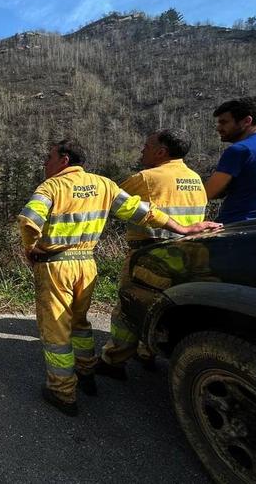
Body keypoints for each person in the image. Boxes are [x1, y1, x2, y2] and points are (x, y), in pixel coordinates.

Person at [18, 138, 220, 416]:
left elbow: (29, 219)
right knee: (79, 321)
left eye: (49, 157)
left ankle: (62, 391)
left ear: (64, 160)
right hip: (87, 264)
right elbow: (145, 213)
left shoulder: (51, 186)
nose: (45, 162)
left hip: (55, 266)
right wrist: (183, 229)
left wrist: (31, 248)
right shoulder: (105, 185)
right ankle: (86, 372)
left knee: (55, 330)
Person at [96, 129, 207, 378]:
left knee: (130, 306)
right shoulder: (196, 179)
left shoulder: (147, 178)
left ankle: (114, 360)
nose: (142, 150)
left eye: (146, 146)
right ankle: (147, 352)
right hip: (187, 255)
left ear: (161, 151)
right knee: (163, 305)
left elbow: (115, 201)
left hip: (149, 253)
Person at [204, 96, 256, 223]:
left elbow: (206, 194)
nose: (218, 128)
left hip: (239, 226)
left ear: (246, 121)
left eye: (224, 122)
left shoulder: (240, 150)